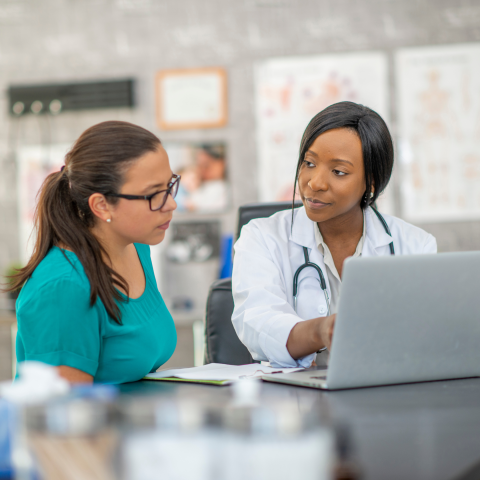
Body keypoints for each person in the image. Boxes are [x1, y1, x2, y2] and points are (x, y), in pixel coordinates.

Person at [232, 101, 437, 368]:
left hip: (384, 394)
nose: (314, 183)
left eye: (338, 171)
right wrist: (321, 331)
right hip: (294, 399)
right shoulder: (261, 237)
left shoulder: (415, 245)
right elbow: (257, 323)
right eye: (309, 163)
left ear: (371, 182)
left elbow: (424, 336)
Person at [7, 121, 179, 383]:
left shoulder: (136, 246)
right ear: (101, 205)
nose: (171, 203)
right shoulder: (63, 287)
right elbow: (66, 417)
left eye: (169, 186)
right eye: (153, 194)